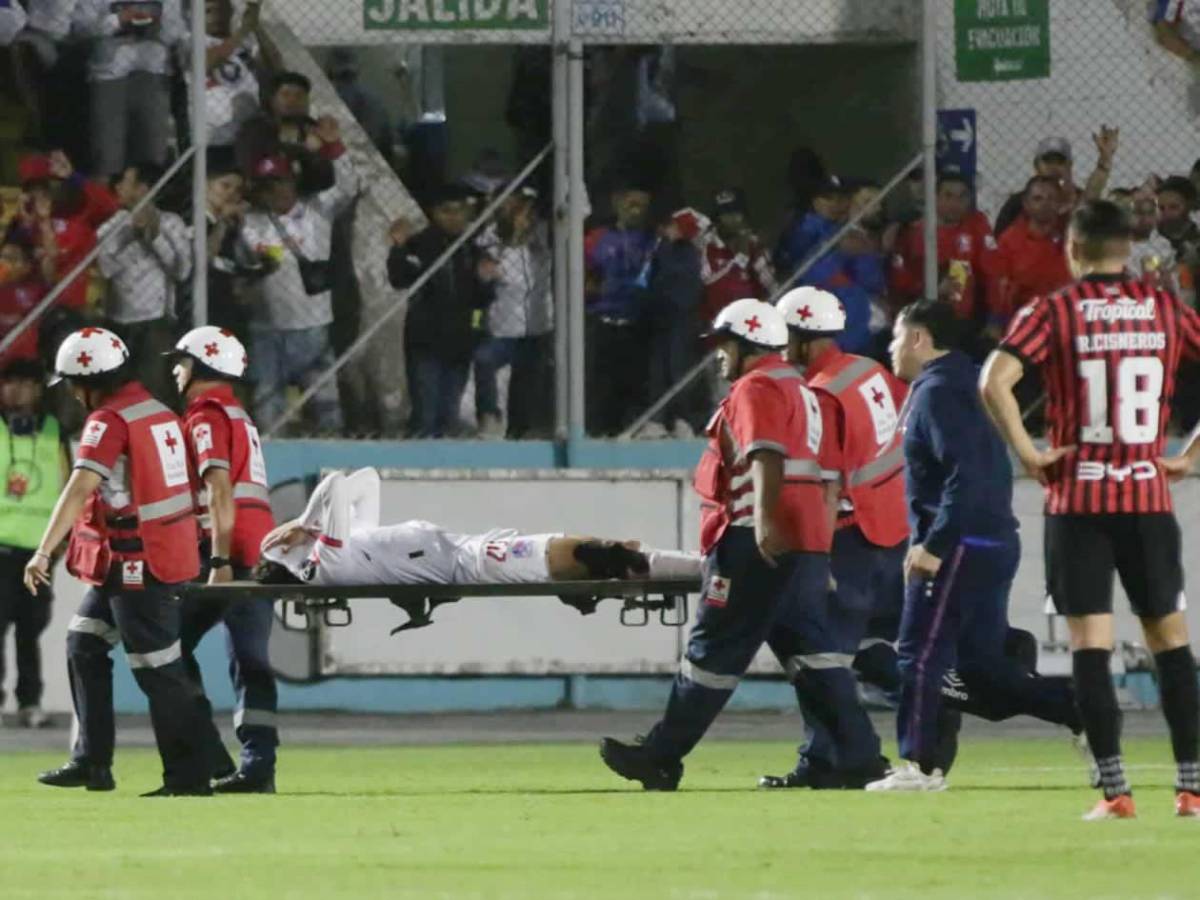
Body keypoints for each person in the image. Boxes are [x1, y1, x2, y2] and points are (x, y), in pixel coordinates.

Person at [980, 199, 1200, 820]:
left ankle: (1116, 793)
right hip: (1148, 498)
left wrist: (1029, 452)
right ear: (1127, 248)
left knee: (1090, 644)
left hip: (1079, 499)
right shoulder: (1164, 308)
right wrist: (1188, 454)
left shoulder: (1053, 312)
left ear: (1073, 250)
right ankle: (1192, 790)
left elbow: (992, 381)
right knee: (1170, 642)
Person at [598, 299, 836, 791]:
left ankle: (661, 755)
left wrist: (765, 522)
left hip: (755, 540)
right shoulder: (800, 387)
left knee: (713, 651)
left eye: (725, 345)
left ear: (749, 345)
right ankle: (854, 754)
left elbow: (764, 454)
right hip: (799, 541)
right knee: (813, 656)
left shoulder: (757, 386)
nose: (719, 357)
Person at [860, 300, 1043, 792]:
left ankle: (920, 766)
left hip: (960, 542)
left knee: (918, 655)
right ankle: (1081, 711)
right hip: (989, 538)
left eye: (897, 338)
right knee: (979, 670)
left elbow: (966, 473)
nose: (891, 348)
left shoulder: (938, 392)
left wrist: (933, 543)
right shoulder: (964, 384)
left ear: (920, 338)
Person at [25, 326, 211, 796]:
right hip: (154, 554)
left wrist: (44, 549)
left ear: (89, 381)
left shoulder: (109, 420)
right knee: (83, 643)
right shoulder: (156, 409)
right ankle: (92, 762)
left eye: (71, 382)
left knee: (158, 670)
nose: (70, 393)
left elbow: (80, 487)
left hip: (137, 561)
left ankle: (189, 777)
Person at [759, 286, 907, 790]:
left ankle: (825, 760)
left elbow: (828, 484)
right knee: (862, 651)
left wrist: (815, 560)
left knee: (822, 658)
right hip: (892, 528)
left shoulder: (821, 393)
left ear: (801, 339)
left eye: (786, 340)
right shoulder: (869, 371)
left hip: (852, 536)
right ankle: (937, 699)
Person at [254, 467, 698, 587]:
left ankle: (696, 566)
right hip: (471, 562)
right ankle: (700, 568)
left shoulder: (345, 548)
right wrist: (303, 522)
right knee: (600, 556)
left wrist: (305, 527)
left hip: (470, 549)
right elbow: (333, 484)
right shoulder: (328, 564)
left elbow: (364, 480)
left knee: (604, 554)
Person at [168, 326, 279, 793]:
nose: (175, 369)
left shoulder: (205, 414)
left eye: (181, 361)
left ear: (201, 367)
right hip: (261, 549)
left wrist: (218, 562)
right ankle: (257, 766)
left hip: (227, 551)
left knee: (164, 651)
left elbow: (217, 487)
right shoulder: (239, 414)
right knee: (252, 661)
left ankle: (210, 754)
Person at [239, 117, 358, 434]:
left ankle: (333, 460)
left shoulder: (318, 209)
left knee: (326, 405)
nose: (275, 190)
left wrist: (335, 148)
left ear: (293, 182)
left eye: (280, 181)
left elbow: (349, 186)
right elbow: (244, 263)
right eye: (267, 185)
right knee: (267, 405)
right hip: (267, 326)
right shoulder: (250, 221)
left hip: (313, 325)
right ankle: (271, 462)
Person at [387, 185, 492, 438]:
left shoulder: (471, 249)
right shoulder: (419, 244)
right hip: (426, 341)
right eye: (447, 211)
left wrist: (484, 281)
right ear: (434, 213)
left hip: (460, 341)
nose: (454, 217)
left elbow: (482, 300)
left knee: (449, 413)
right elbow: (399, 279)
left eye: (460, 211)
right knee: (426, 412)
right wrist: (398, 249)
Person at [0, 359, 67, 727]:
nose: (16, 391)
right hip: (0, 549)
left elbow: (69, 488)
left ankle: (30, 701)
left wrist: (57, 547)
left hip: (38, 555)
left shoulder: (54, 432)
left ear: (40, 390)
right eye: (9, 383)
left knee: (31, 630)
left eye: (25, 383)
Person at [97, 161, 192, 401]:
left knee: (154, 388)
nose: (118, 187)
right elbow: (106, 269)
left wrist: (154, 236)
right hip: (117, 319)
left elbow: (182, 271)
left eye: (126, 182)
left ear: (144, 188)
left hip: (156, 320)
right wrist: (130, 236)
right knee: (117, 389)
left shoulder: (172, 223)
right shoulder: (110, 226)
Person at [472, 183, 553, 439]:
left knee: (526, 382)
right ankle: (488, 414)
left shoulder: (543, 236)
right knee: (484, 360)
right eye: (516, 208)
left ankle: (520, 430)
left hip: (536, 326)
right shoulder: (488, 240)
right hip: (501, 327)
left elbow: (579, 211)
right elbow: (479, 275)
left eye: (528, 210)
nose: (523, 216)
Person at [73, 0, 187, 177]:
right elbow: (81, 27)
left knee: (152, 155)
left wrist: (159, 24)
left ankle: (148, 201)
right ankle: (110, 202)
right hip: (108, 74)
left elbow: (175, 31)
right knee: (108, 155)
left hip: (153, 72)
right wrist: (118, 20)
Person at [583, 182, 657, 436]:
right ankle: (597, 434)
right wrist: (591, 286)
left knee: (635, 383)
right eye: (631, 204)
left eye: (642, 206)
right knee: (601, 384)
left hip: (637, 322)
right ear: (617, 203)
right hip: (603, 320)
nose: (636, 211)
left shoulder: (652, 240)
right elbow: (580, 274)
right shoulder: (598, 238)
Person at [890, 172, 996, 337]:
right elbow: (899, 281)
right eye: (948, 196)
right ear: (935, 197)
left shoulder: (976, 223)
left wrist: (994, 319)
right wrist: (931, 287)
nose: (955, 203)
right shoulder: (912, 231)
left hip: (964, 320)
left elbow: (993, 273)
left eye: (962, 197)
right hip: (919, 317)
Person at [986, 176, 1072, 337]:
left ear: (1060, 204)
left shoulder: (1071, 234)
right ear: (1026, 204)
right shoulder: (1010, 240)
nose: (1045, 204)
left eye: (1051, 198)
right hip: (1026, 322)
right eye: (1038, 199)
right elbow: (999, 290)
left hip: (1067, 319)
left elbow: (1091, 198)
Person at [993, 131, 1118, 237]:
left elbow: (1092, 194)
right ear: (1036, 165)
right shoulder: (1017, 203)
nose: (1053, 167)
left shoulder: (1077, 198)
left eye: (1059, 161)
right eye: (1048, 161)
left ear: (1069, 165)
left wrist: (1105, 159)